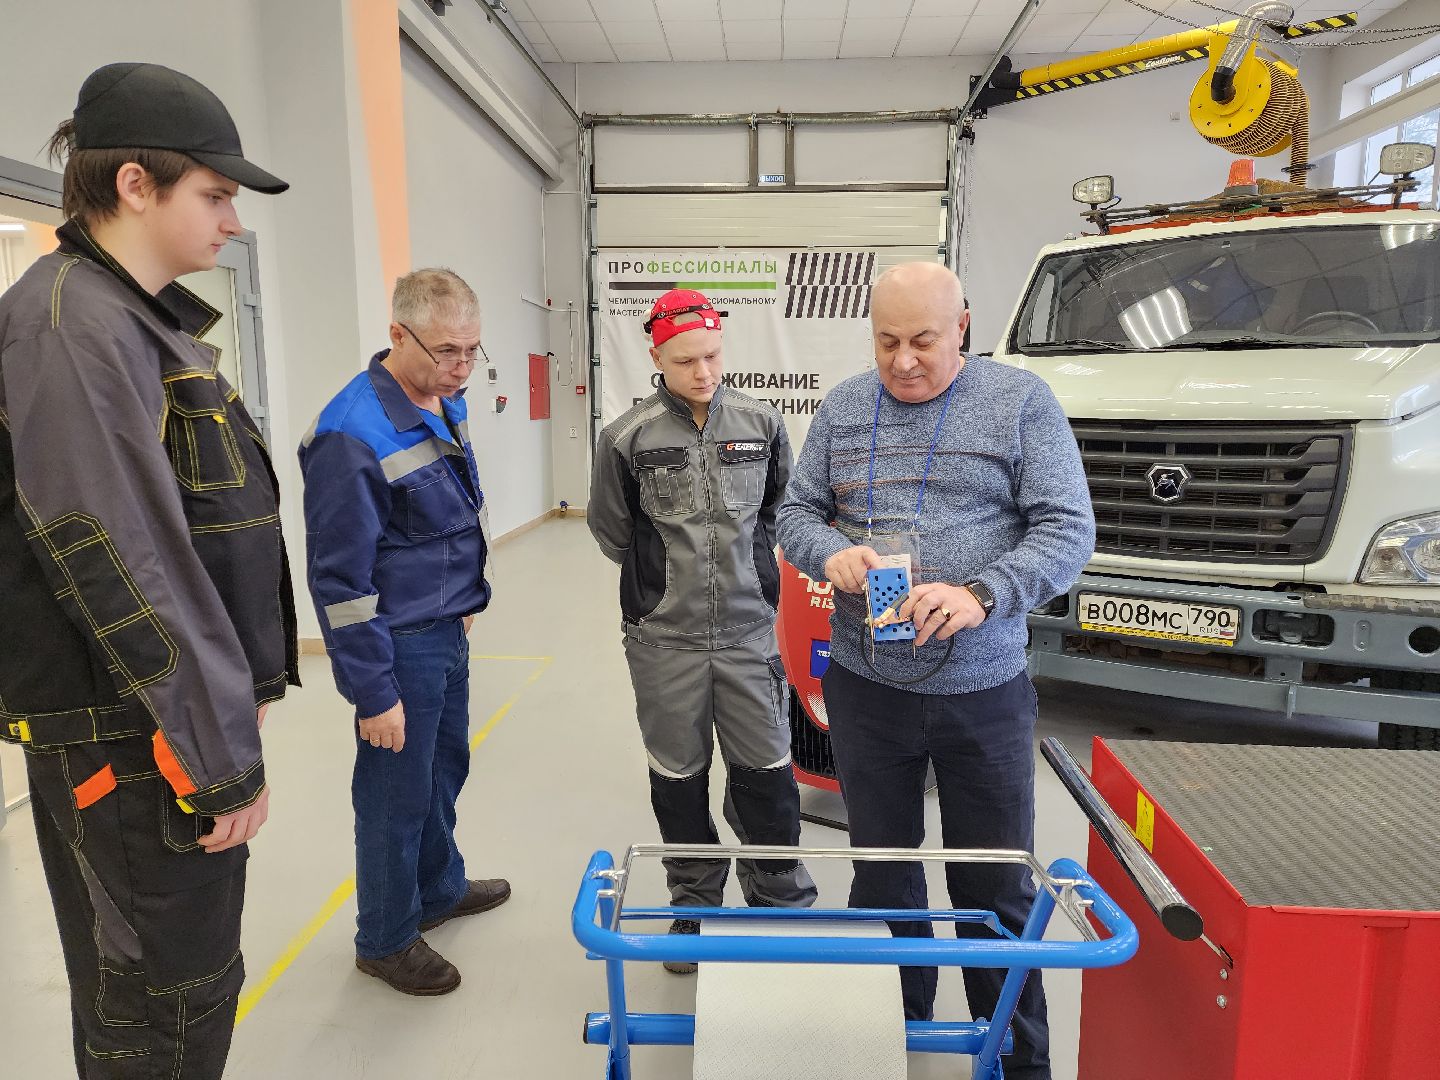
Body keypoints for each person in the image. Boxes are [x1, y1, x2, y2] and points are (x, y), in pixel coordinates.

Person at [0, 63, 298, 1077]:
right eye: (214, 195)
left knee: (178, 992)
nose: (232, 221)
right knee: (160, 1010)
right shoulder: (72, 325)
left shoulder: (129, 319)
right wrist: (217, 750)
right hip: (133, 744)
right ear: (135, 185)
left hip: (153, 728)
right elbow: (119, 557)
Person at [776, 262, 1094, 1079]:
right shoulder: (845, 406)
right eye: (886, 341)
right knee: (883, 876)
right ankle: (896, 1032)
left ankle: (1017, 1060)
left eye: (922, 340)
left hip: (982, 695)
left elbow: (1068, 530)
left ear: (962, 326)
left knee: (995, 885)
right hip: (865, 688)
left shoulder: (1020, 403)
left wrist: (982, 595)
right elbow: (796, 512)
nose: (903, 360)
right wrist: (830, 553)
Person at [588, 289, 817, 972]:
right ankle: (694, 903)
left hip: (749, 636)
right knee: (678, 780)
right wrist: (666, 589)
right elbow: (612, 531)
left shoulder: (762, 423)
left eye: (713, 356)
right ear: (657, 357)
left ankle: (778, 902)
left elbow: (779, 510)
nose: (704, 372)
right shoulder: (625, 438)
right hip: (665, 642)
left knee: (767, 774)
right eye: (686, 360)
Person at [299, 268, 509, 997]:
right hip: (398, 646)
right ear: (397, 333)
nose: (461, 366)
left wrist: (465, 594)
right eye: (447, 350)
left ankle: (438, 887)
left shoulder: (442, 399)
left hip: (446, 627)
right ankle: (386, 938)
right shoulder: (350, 433)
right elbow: (339, 581)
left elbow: (447, 511)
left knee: (443, 771)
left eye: (473, 350)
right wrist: (373, 690)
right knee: (396, 794)